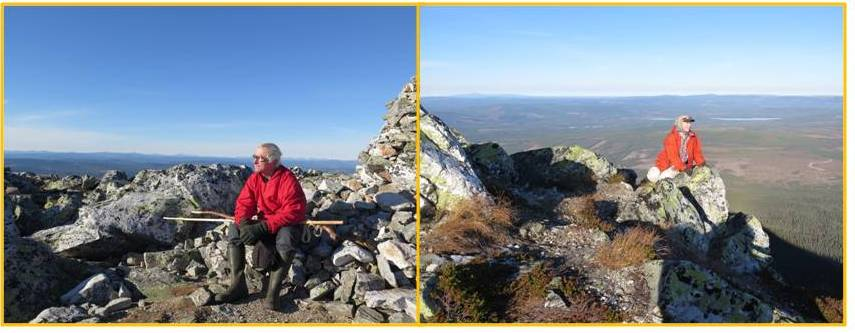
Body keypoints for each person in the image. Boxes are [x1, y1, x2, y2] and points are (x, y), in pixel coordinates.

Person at [214, 143, 307, 311]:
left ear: (272, 161)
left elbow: (293, 212)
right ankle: (238, 286)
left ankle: (273, 293)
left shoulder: (287, 179)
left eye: (259, 158)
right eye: (254, 157)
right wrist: (244, 223)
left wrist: (261, 228)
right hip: (266, 223)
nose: (255, 161)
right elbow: (243, 204)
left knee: (287, 239)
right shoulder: (255, 178)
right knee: (235, 229)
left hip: (285, 224)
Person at [647, 115, 706, 182]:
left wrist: (701, 163)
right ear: (680, 124)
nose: (689, 125)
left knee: (665, 179)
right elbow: (673, 156)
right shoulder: (671, 137)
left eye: (689, 123)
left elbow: (696, 152)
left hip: (679, 167)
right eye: (686, 123)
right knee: (655, 177)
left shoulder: (692, 137)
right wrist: (683, 168)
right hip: (668, 164)